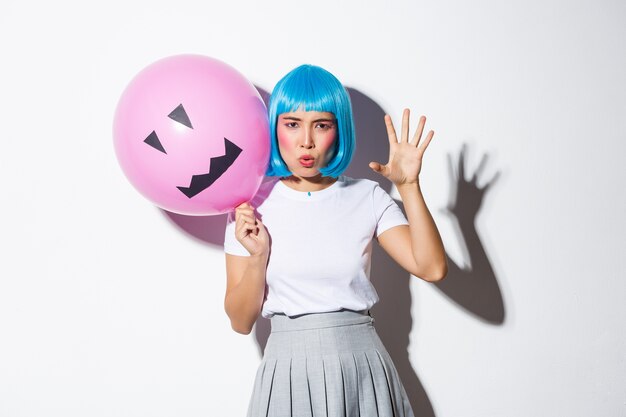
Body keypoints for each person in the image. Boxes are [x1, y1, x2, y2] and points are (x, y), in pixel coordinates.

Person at [223, 64, 447, 417]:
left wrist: (409, 187)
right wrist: (257, 256)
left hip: (361, 366)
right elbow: (240, 321)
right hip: (288, 371)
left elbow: (431, 267)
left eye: (321, 125)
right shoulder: (250, 206)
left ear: (338, 129)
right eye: (292, 124)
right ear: (275, 127)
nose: (306, 141)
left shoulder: (367, 196)